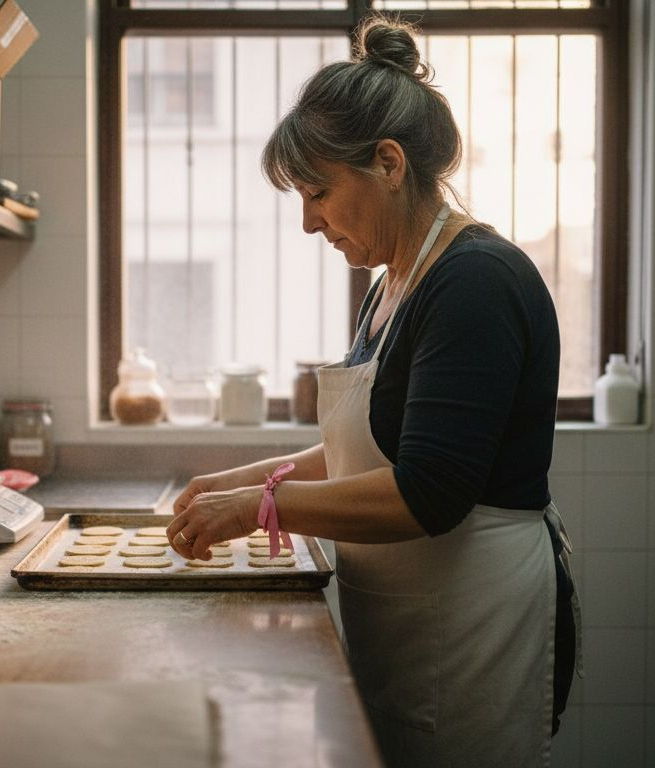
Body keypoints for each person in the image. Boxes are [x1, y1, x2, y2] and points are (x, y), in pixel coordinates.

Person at [165, 15, 579, 768]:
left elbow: (428, 490)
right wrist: (243, 479)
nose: (307, 222)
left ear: (388, 163)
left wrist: (261, 508)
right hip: (411, 617)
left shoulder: (474, 282)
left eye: (318, 192)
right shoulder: (394, 281)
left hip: (472, 625)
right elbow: (370, 445)